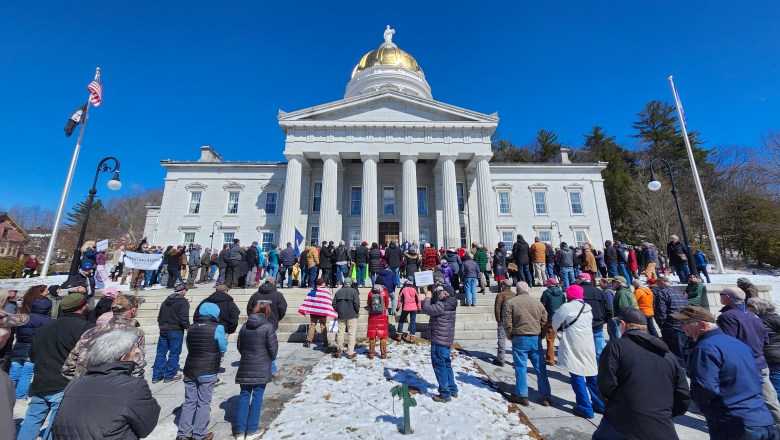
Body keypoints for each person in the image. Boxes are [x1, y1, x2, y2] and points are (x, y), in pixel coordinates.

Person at [673, 305, 779, 440]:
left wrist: (705, 406)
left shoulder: (705, 348)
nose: (681, 326)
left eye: (686, 322)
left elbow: (704, 388)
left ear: (703, 324)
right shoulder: (739, 344)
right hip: (761, 418)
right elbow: (758, 378)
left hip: (734, 423)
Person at [593, 307, 690, 440]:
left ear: (623, 324)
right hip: (662, 426)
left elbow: (605, 384)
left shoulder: (616, 347)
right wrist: (666, 414)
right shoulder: (668, 354)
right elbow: (683, 393)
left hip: (623, 422)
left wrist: (617, 407)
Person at [50, 330, 161, 439]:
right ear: (123, 358)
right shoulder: (133, 387)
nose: (136, 351)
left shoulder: (74, 383)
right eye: (133, 350)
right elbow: (145, 428)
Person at [18, 293, 94, 440]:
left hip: (41, 382)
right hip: (64, 385)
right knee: (56, 425)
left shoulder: (45, 327)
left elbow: (32, 355)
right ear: (83, 306)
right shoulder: (86, 329)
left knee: (32, 421)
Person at [717, 287, 780, 424]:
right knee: (770, 399)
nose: (719, 296)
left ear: (727, 297)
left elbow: (728, 344)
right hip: (761, 362)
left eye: (721, 294)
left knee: (742, 399)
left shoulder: (726, 317)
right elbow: (765, 341)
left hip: (742, 366)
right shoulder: (754, 316)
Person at [62, 293, 147, 381]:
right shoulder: (135, 333)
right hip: (116, 386)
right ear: (133, 310)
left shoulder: (91, 332)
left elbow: (68, 368)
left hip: (83, 385)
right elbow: (137, 369)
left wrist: (79, 382)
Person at [553, 284, 604, 419]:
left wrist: (560, 329)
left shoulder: (567, 307)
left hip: (574, 342)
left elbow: (555, 322)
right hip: (588, 342)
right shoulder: (587, 307)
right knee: (591, 374)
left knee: (577, 374)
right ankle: (600, 404)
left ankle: (585, 407)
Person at [177, 303, 227, 440]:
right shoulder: (218, 327)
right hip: (208, 369)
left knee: (189, 402)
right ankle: (199, 434)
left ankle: (183, 433)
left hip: (190, 368)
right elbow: (222, 346)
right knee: (204, 402)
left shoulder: (192, 327)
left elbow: (189, 346)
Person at [503, 281, 552, 406]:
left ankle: (522, 394)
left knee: (520, 367)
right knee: (540, 367)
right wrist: (541, 335)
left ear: (517, 290)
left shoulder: (511, 303)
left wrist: (510, 335)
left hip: (520, 336)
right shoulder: (537, 302)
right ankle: (545, 395)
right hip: (535, 337)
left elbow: (507, 322)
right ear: (528, 290)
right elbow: (544, 320)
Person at [235, 302, 278, 439]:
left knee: (244, 395)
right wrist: (269, 358)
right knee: (257, 396)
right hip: (261, 365)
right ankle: (252, 430)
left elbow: (239, 346)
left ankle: (240, 431)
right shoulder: (268, 327)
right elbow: (273, 349)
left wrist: (247, 355)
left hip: (246, 364)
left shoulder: (244, 326)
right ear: (267, 312)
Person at [10, 290, 52, 400]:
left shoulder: (24, 317)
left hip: (19, 348)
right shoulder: (48, 321)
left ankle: (7, 392)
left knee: (14, 372)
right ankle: (20, 396)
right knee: (26, 374)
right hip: (33, 350)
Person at [422, 284, 459, 402]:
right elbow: (437, 303)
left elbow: (426, 309)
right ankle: (452, 389)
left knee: (439, 366)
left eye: (441, 291)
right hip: (446, 339)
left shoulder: (442, 306)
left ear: (446, 294)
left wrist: (427, 296)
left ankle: (445, 393)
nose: (440, 293)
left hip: (439, 339)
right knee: (446, 364)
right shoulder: (451, 302)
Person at [152, 283, 190, 383]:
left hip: (164, 330)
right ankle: (170, 375)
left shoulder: (165, 301)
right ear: (183, 291)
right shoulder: (183, 301)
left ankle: (156, 376)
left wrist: (162, 326)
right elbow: (184, 318)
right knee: (174, 353)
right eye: (186, 290)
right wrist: (188, 328)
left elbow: (159, 317)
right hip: (175, 330)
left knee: (160, 353)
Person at [653, 276, 690, 364]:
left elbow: (660, 311)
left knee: (675, 353)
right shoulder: (680, 293)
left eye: (657, 283)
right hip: (684, 325)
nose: (657, 285)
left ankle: (680, 369)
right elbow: (688, 308)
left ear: (662, 283)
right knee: (685, 351)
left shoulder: (662, 293)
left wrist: (662, 325)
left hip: (671, 326)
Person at [748, 297, 780, 399]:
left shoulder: (759, 321)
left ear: (756, 307)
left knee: (776, 386)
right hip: (776, 355)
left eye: (748, 306)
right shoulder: (776, 317)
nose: (746, 308)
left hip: (771, 357)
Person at [579, 273, 611, 361]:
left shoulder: (578, 291)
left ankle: (587, 366)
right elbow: (608, 308)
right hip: (598, 322)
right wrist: (604, 320)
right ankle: (600, 366)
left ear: (580, 280)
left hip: (583, 324)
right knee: (599, 349)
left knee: (584, 349)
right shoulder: (599, 291)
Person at [298, 278, 337, 348]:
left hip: (314, 311)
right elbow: (329, 301)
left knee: (312, 326)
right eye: (324, 283)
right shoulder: (326, 292)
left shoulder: (313, 291)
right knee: (323, 326)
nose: (325, 284)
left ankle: (308, 341)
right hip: (323, 312)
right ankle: (325, 342)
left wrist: (305, 309)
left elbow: (308, 300)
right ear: (321, 283)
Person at [333, 277, 360, 358]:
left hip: (341, 315)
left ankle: (339, 350)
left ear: (344, 283)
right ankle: (350, 352)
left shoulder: (338, 292)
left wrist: (338, 310)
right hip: (352, 315)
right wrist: (357, 312)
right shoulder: (354, 291)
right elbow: (357, 304)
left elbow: (334, 303)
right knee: (351, 333)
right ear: (350, 283)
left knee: (340, 333)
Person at [540, 278, 565, 365]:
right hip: (560, 318)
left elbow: (542, 305)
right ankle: (564, 358)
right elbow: (563, 304)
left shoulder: (546, 293)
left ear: (550, 283)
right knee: (562, 339)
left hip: (550, 318)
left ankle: (550, 359)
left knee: (550, 339)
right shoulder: (561, 293)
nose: (546, 283)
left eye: (547, 282)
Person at [492, 279, 516, 366]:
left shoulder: (500, 295)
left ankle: (501, 359)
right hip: (513, 320)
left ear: (503, 286)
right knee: (514, 340)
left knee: (502, 339)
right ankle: (516, 360)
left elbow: (497, 308)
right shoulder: (515, 295)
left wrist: (498, 319)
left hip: (503, 319)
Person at [367, 283, 390, 359]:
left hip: (372, 316)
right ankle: (383, 353)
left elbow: (369, 304)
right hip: (382, 316)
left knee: (372, 335)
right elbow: (386, 304)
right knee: (383, 335)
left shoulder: (370, 293)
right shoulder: (384, 292)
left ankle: (371, 353)